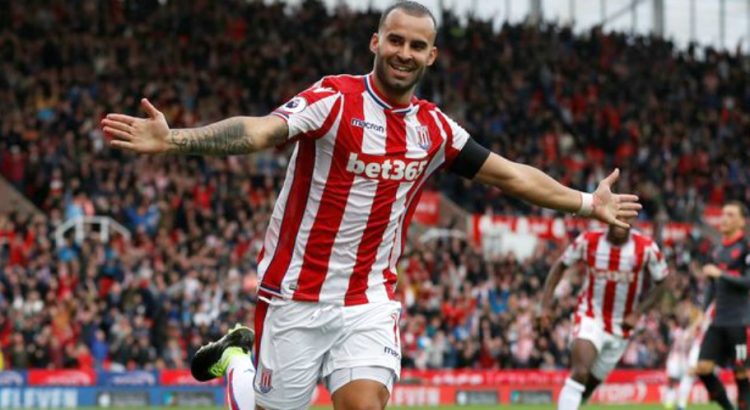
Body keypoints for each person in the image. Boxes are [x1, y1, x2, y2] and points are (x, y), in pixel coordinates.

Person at [101, 2, 641, 409]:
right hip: (295, 293)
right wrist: (177, 140)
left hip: (368, 300)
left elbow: (510, 175)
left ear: (432, 55)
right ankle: (237, 360)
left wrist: (586, 203)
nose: (405, 53)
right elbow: (261, 130)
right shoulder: (334, 99)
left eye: (417, 46)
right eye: (396, 41)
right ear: (375, 42)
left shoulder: (434, 129)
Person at [539, 220, 669, 410]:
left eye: (626, 220)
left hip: (621, 326)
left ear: (631, 223)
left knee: (589, 385)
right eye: (617, 217)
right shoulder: (588, 240)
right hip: (590, 315)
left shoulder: (647, 248)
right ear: (608, 218)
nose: (620, 224)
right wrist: (545, 306)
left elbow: (663, 282)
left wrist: (638, 313)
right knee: (580, 372)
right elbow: (560, 265)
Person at [695, 201, 750, 410]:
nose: (724, 219)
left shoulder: (746, 249)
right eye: (723, 214)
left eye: (730, 215)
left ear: (742, 221)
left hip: (740, 323)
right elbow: (712, 285)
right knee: (703, 368)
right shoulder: (717, 250)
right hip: (718, 322)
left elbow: (748, 281)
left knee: (742, 373)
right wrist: (702, 311)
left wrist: (721, 274)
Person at [663, 303, 714, 410]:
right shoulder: (686, 329)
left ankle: (680, 404)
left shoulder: (704, 322)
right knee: (683, 378)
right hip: (690, 354)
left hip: (698, 352)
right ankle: (676, 403)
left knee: (688, 377)